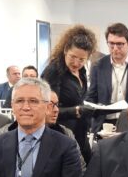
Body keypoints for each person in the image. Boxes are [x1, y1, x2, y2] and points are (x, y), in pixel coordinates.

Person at [41, 24, 97, 162]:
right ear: (65, 50)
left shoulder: (82, 71)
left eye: (82, 59)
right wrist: (76, 111)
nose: (76, 63)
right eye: (73, 57)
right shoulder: (54, 71)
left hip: (80, 131)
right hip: (60, 133)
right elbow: (48, 109)